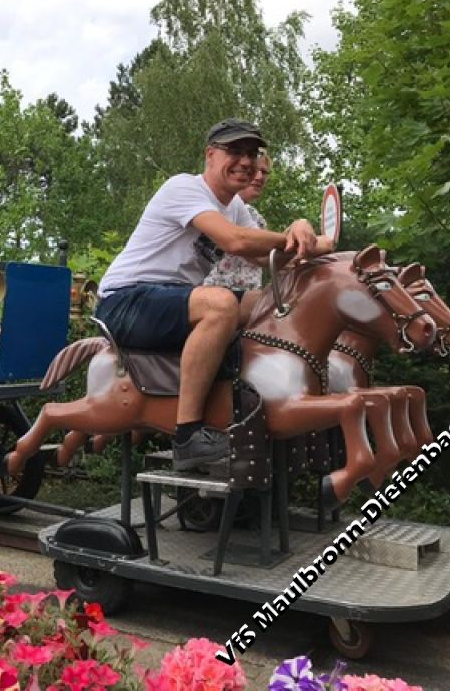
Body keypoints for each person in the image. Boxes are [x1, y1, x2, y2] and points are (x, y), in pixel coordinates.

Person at [95, 119, 332, 471]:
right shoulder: (183, 187)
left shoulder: (234, 206)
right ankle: (188, 435)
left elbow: (265, 258)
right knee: (220, 303)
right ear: (210, 155)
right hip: (125, 299)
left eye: (251, 153)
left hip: (174, 299)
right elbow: (235, 241)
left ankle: (252, 401)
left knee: (269, 301)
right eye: (234, 151)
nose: (246, 161)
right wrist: (295, 238)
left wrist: (302, 231)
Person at [202, 150, 271, 291]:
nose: (259, 177)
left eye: (264, 172)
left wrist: (300, 250)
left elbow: (266, 256)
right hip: (213, 294)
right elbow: (239, 241)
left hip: (248, 295)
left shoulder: (257, 219)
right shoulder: (210, 207)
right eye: (255, 170)